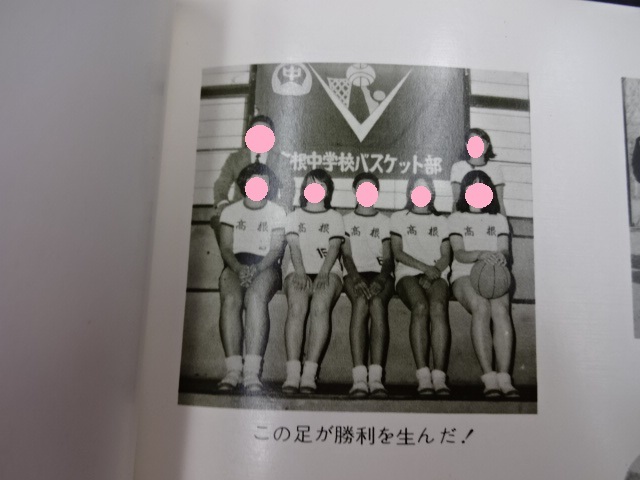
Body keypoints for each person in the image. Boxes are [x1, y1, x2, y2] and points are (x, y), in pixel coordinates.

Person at [448, 170, 519, 399]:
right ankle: (489, 378)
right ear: (465, 191)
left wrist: (501, 257)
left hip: (495, 273)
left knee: (501, 310)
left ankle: (505, 378)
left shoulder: (498, 219)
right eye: (473, 186)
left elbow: (505, 250)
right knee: (481, 306)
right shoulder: (456, 218)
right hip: (465, 274)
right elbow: (459, 253)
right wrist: (481, 254)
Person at [216, 163, 286, 394]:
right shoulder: (230, 212)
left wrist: (256, 269)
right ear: (244, 183)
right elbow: (226, 247)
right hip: (235, 265)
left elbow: (276, 249)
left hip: (266, 266)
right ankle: (233, 370)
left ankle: (251, 372)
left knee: (255, 297)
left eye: (264, 181)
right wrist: (238, 268)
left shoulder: (277, 212)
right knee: (231, 300)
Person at [282, 169, 345, 394]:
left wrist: (323, 273)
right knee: (297, 307)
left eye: (320, 185)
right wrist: (300, 272)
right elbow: (294, 247)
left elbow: (334, 248)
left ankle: (310, 372)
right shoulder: (293, 216)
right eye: (310, 184)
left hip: (328, 271)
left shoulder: (334, 217)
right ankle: (292, 372)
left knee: (320, 307)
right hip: (298, 270)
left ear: (327, 191)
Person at [390, 175, 452, 396]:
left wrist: (433, 273)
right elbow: (397, 252)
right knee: (420, 307)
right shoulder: (399, 218)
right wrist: (425, 269)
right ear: (410, 192)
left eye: (426, 189)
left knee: (438, 307)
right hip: (408, 273)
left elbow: (446, 255)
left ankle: (439, 377)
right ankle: (423, 376)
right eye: (417, 188)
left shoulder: (441, 221)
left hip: (436, 273)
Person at [341, 173, 394, 398]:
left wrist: (381, 280)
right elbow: (346, 256)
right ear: (354, 191)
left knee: (377, 304)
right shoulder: (345, 220)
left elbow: (389, 258)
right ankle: (359, 378)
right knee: (361, 302)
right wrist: (355, 278)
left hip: (381, 275)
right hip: (355, 275)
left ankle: (376, 378)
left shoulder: (385, 221)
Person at [210, 115, 295, 241]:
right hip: (239, 211)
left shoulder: (281, 161)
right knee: (218, 221)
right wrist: (223, 204)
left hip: (269, 213)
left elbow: (289, 188)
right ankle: (230, 254)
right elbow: (221, 184)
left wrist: (282, 208)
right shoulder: (235, 158)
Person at [450, 128, 506, 215]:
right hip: (466, 217)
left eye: (482, 142)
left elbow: (500, 202)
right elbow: (456, 201)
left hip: (489, 217)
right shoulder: (458, 167)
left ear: (487, 145)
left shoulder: (495, 168)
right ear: (467, 145)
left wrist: (503, 221)